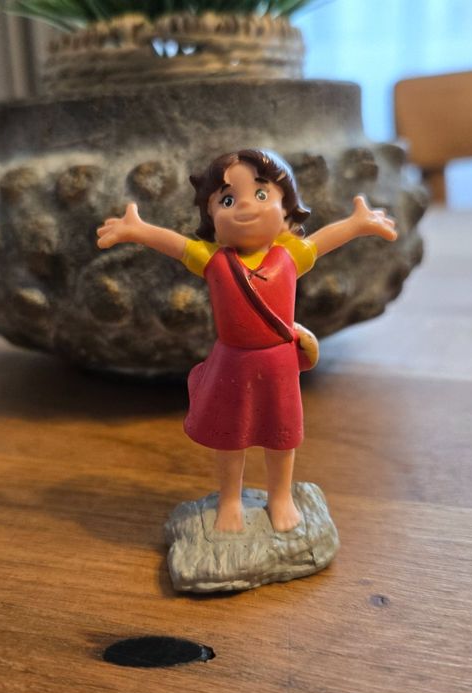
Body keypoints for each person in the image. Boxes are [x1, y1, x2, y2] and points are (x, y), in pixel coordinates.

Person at [97, 149, 397, 533]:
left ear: (286, 210)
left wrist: (356, 224)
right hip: (232, 363)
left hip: (279, 365)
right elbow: (175, 244)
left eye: (261, 193)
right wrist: (137, 230)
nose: (245, 206)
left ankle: (281, 496)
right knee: (229, 438)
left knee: (282, 436)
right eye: (227, 200)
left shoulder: (290, 256)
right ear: (212, 219)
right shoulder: (212, 260)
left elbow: (323, 239)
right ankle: (229, 500)